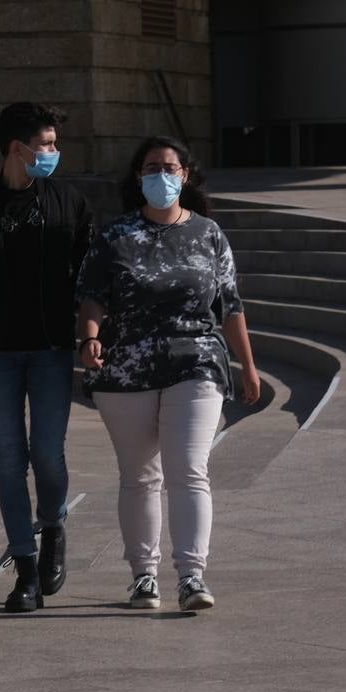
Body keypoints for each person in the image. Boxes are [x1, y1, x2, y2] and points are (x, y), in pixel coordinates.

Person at [75, 136, 260, 612]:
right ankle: (143, 576)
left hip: (196, 362)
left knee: (189, 469)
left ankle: (192, 576)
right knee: (139, 476)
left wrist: (248, 366)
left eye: (170, 167)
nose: (162, 174)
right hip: (126, 367)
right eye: (152, 167)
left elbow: (231, 305)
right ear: (139, 177)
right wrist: (90, 336)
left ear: (185, 176)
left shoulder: (209, 234)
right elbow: (92, 295)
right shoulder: (114, 235)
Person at [0, 102, 94, 613]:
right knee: (9, 458)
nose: (53, 153)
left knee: (47, 454)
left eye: (54, 143)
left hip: (52, 348)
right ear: (18, 148)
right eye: (46, 144)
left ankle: (53, 525)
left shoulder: (68, 201)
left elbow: (87, 267)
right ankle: (25, 568)